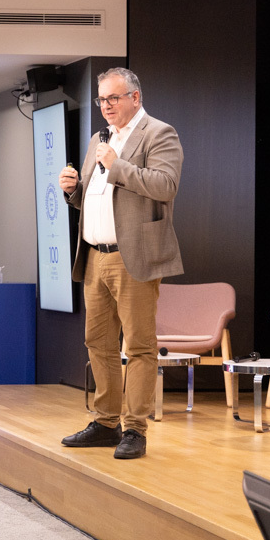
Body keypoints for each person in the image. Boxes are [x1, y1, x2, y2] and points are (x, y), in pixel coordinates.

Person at [58, 67, 183, 460]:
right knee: (98, 343)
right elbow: (97, 197)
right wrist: (73, 191)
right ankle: (106, 423)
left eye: (113, 98)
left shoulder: (159, 133)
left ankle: (135, 429)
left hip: (133, 257)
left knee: (140, 346)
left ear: (135, 97)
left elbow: (165, 185)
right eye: (101, 99)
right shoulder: (100, 139)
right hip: (95, 256)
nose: (106, 106)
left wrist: (117, 166)